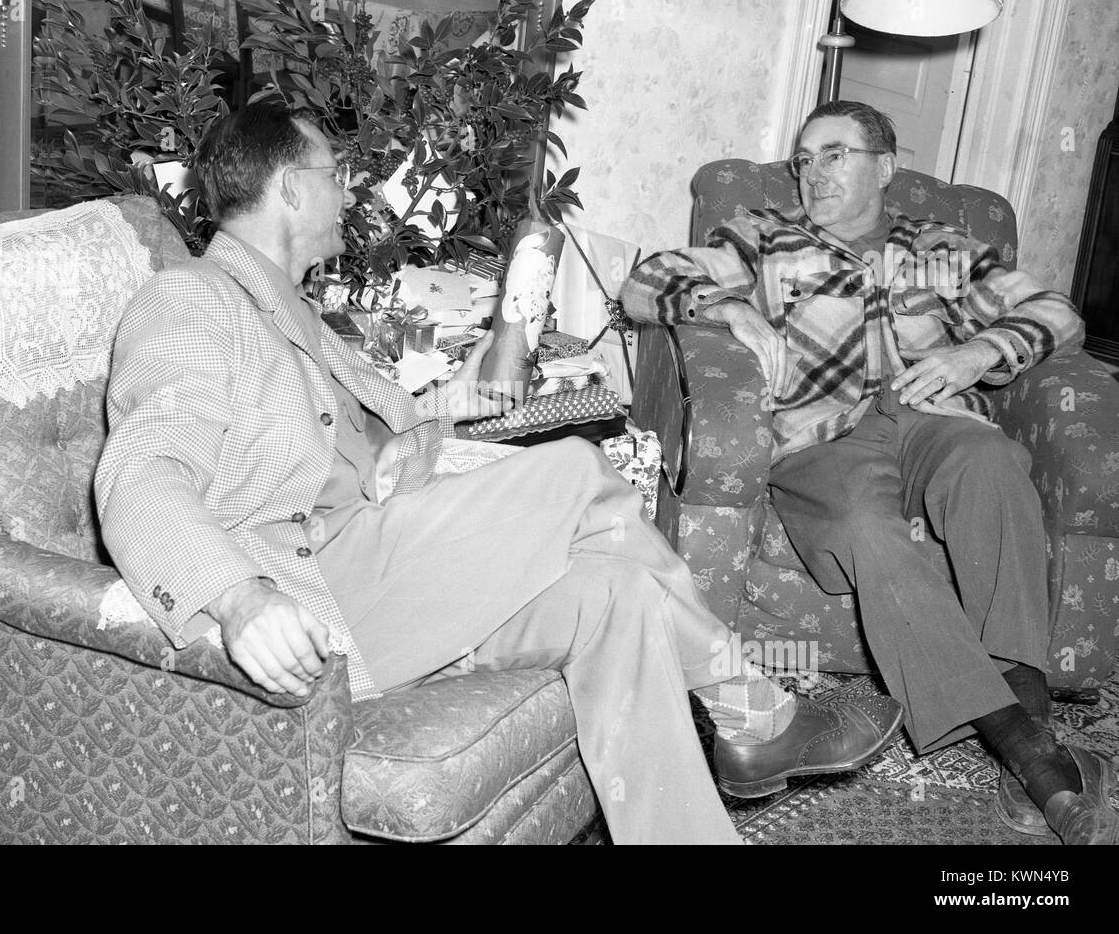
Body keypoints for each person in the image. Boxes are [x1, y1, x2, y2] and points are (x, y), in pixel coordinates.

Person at [94, 102, 904, 844]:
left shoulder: (298, 313)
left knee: (613, 592)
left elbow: (385, 436)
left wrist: (470, 388)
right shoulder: (192, 299)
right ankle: (757, 716)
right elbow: (139, 472)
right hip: (323, 585)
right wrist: (239, 598)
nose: (347, 193)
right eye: (332, 175)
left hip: (399, 566)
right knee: (580, 472)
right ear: (288, 189)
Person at [622, 100, 1118, 845]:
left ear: (884, 167)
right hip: (824, 440)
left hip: (931, 418)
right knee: (863, 525)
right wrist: (731, 307)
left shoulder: (943, 247)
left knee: (991, 464)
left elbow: (1058, 314)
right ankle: (1035, 755)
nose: (812, 172)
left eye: (834, 154)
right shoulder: (765, 235)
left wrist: (976, 354)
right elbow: (646, 280)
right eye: (803, 159)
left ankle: (1026, 715)